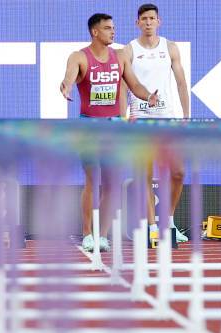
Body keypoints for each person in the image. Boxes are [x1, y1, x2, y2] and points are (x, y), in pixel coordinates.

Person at [60, 13, 158, 251]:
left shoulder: (120, 57)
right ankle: (86, 234)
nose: (113, 32)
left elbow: (134, 84)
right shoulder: (79, 56)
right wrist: (66, 85)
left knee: (112, 184)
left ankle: (102, 235)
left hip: (114, 126)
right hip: (89, 127)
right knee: (92, 180)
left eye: (113, 28)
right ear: (95, 32)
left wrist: (148, 96)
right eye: (107, 28)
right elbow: (70, 76)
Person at [121, 3, 190, 243]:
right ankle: (152, 227)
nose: (148, 22)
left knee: (179, 172)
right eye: (144, 19)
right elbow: (123, 87)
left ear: (159, 21)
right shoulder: (128, 50)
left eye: (152, 18)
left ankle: (168, 222)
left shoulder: (170, 48)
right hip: (141, 119)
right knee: (145, 175)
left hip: (168, 118)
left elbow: (181, 83)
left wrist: (185, 115)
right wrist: (124, 116)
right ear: (137, 22)